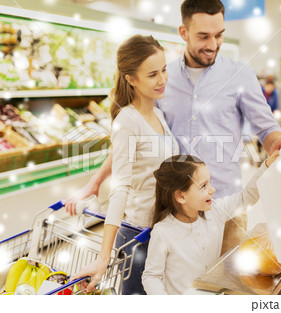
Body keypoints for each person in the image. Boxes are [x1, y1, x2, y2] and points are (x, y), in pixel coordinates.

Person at [65, 0, 281, 273]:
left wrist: (280, 145)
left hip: (223, 209)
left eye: (219, 35)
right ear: (184, 32)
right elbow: (136, 140)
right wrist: (96, 182)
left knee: (225, 285)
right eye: (203, 36)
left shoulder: (240, 76)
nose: (213, 44)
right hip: (174, 215)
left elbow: (267, 129)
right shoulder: (160, 80)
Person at [70, 35, 179, 295]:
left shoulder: (158, 114)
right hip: (138, 237)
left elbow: (133, 158)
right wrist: (103, 256)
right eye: (152, 74)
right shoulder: (127, 120)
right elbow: (120, 188)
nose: (162, 79)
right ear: (131, 78)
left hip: (161, 231)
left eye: (164, 69)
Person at [142, 152, 279, 294]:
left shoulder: (215, 212)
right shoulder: (163, 232)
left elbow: (245, 198)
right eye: (203, 186)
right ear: (181, 196)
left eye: (210, 182)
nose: (212, 189)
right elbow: (151, 276)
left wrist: (266, 166)